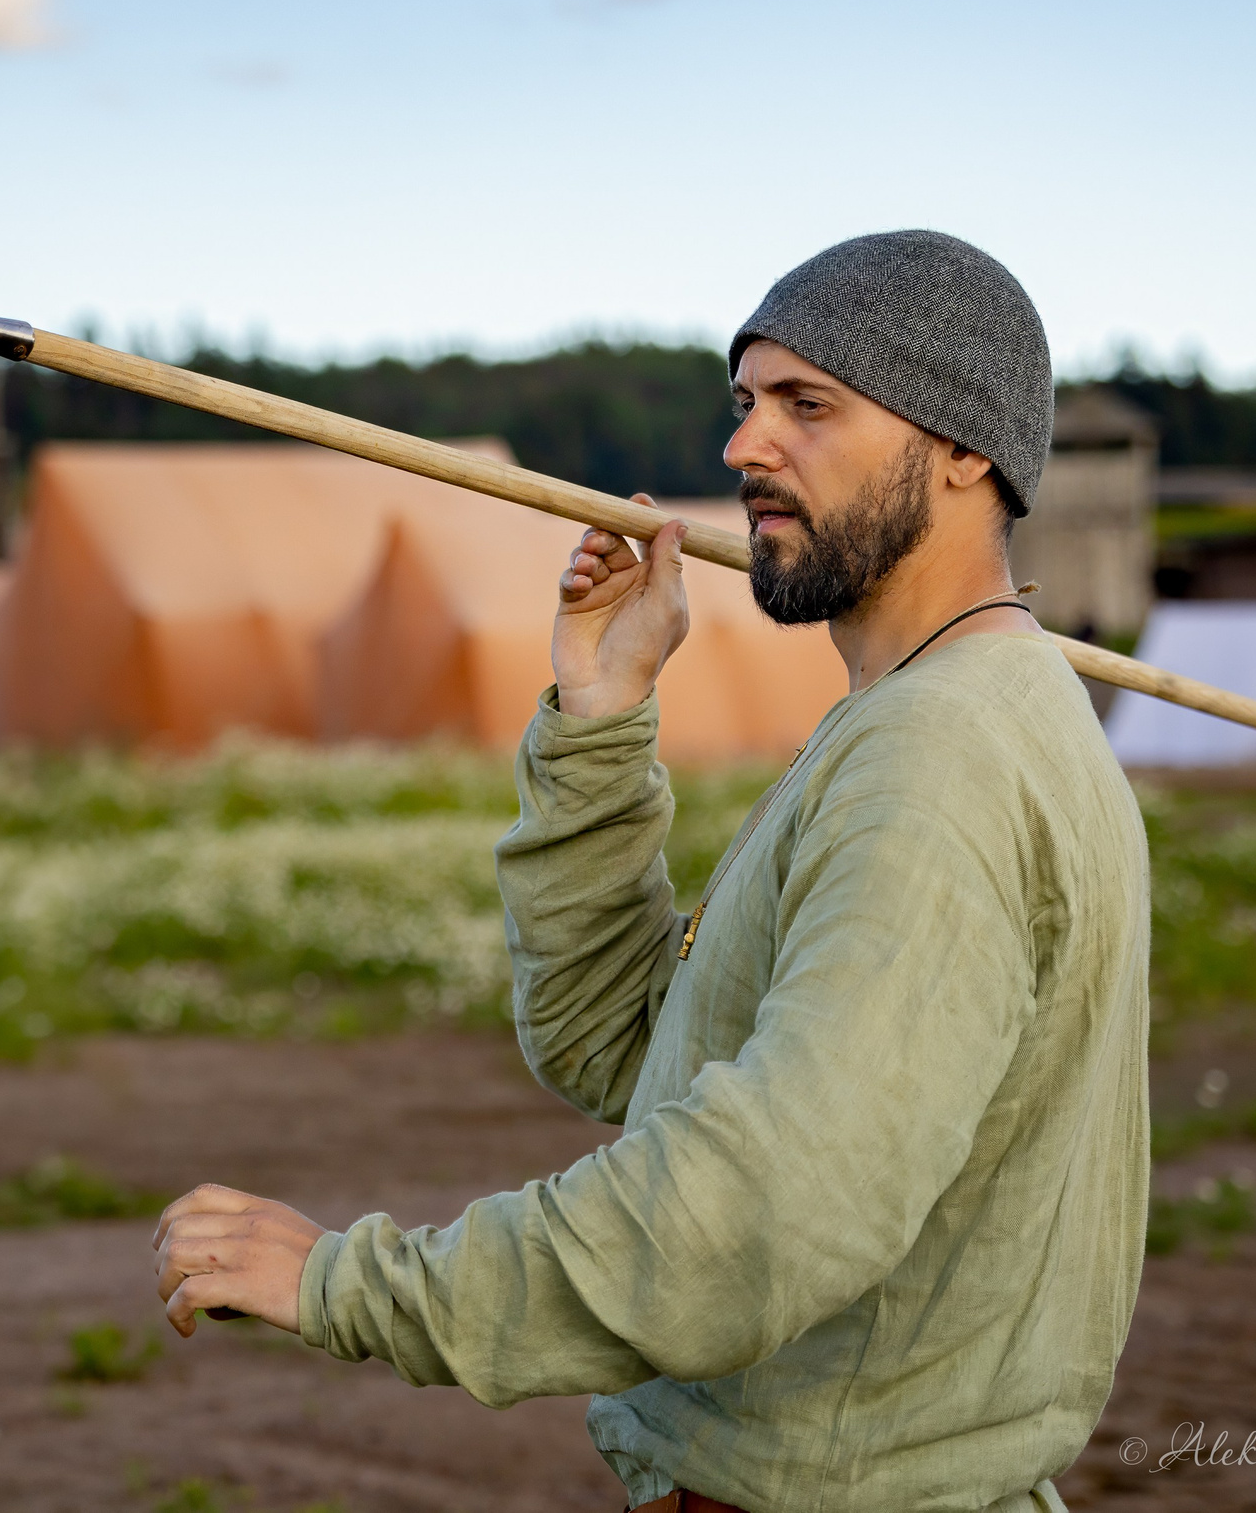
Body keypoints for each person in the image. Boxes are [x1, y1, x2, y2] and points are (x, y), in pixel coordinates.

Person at [152, 230, 1150, 1513]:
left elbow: (768, 1212)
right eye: (744, 404)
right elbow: (627, 1048)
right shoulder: (922, 713)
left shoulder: (940, 752)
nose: (742, 448)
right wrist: (599, 715)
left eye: (808, 405)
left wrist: (348, 1283)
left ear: (966, 450)